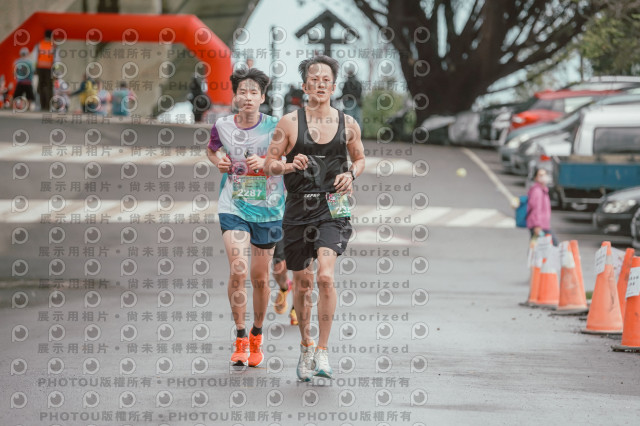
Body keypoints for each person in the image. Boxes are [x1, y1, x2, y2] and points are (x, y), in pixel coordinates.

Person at [264, 55, 365, 381]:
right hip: (297, 208)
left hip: (333, 206)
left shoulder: (349, 125)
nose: (320, 84)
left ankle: (323, 350)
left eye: (326, 80)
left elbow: (360, 159)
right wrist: (289, 165)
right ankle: (306, 345)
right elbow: (269, 164)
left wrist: (351, 174)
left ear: (333, 87)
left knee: (324, 276)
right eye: (314, 79)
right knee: (303, 282)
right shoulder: (289, 124)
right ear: (305, 86)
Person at [205, 68, 284, 367]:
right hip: (234, 205)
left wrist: (266, 162)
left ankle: (256, 334)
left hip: (269, 210)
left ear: (262, 97)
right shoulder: (222, 125)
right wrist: (218, 161)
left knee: (260, 278)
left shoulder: (277, 126)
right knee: (238, 269)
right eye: (242, 92)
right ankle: (239, 336)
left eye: (254, 92)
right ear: (235, 96)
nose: (248, 97)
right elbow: (211, 150)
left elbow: (288, 161)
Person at [527, 167, 557, 245]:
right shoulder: (537, 191)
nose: (543, 177)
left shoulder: (543, 190)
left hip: (544, 225)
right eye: (540, 175)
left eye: (545, 175)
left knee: (537, 247)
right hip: (539, 226)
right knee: (553, 244)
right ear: (536, 178)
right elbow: (536, 209)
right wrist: (537, 225)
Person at [272, 240, 297, 325]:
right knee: (279, 269)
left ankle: (297, 306)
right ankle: (285, 287)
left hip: (304, 232)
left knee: (300, 271)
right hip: (281, 232)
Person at [36, 30, 55, 111]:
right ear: (51, 36)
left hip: (40, 68)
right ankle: (48, 106)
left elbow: (35, 57)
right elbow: (56, 59)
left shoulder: (40, 44)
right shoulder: (53, 45)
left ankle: (42, 105)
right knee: (49, 87)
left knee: (41, 86)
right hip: (49, 69)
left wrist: (36, 69)